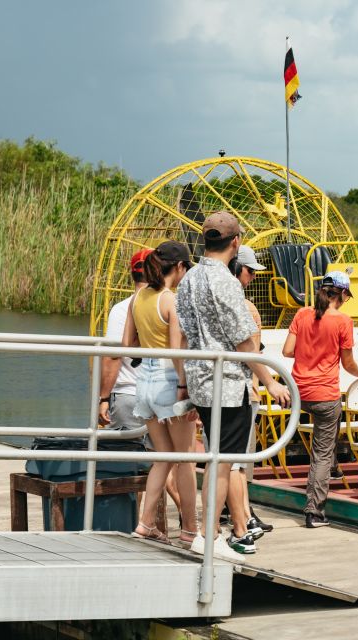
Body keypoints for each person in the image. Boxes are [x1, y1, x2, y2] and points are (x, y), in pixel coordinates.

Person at [176, 211, 290, 559]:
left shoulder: (189, 278)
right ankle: (210, 537)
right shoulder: (225, 282)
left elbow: (182, 334)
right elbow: (244, 343)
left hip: (199, 379)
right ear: (236, 242)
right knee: (223, 462)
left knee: (214, 458)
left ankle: (206, 533)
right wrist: (271, 381)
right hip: (227, 384)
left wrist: (183, 384)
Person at [282, 270, 358, 528]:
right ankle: (314, 511)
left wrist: (309, 352)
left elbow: (288, 350)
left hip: (298, 392)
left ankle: (335, 468)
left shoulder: (303, 314)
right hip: (325, 394)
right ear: (344, 294)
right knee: (321, 454)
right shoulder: (342, 321)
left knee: (326, 441)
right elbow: (348, 363)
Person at [122, 240, 198, 545]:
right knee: (185, 460)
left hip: (144, 383)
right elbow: (178, 351)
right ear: (178, 267)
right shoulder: (170, 300)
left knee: (163, 457)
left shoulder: (138, 298)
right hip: (170, 379)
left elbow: (127, 345)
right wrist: (184, 387)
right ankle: (190, 529)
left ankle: (146, 523)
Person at [227, 245, 274, 538]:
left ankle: (240, 513)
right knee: (239, 462)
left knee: (232, 461)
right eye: (250, 271)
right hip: (243, 391)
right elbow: (250, 351)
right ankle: (243, 518)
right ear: (239, 270)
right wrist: (269, 382)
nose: (253, 278)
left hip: (233, 390)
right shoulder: (246, 308)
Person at [98, 248, 151, 432]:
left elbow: (113, 357)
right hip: (164, 395)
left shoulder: (121, 309)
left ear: (132, 274)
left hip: (129, 394)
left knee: (124, 456)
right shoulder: (170, 305)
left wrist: (103, 398)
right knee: (166, 457)